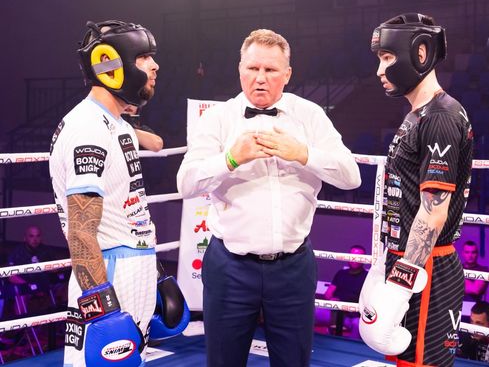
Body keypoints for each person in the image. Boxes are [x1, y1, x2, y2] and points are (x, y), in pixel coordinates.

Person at [176, 28, 361, 367]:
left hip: (293, 266)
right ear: (240, 70)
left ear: (287, 74)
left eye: (271, 70)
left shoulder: (310, 115)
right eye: (253, 68)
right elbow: (185, 184)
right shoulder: (218, 119)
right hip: (230, 266)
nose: (260, 78)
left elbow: (352, 176)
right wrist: (230, 159)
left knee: (293, 362)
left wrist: (303, 154)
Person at [358, 13, 474, 367]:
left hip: (427, 267)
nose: (380, 70)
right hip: (410, 261)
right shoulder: (419, 114)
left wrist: (401, 282)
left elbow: (434, 212)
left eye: (387, 57)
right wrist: (389, 263)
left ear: (420, 54)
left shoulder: (440, 117)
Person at [49, 20, 160, 366]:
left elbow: (129, 208)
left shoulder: (117, 125)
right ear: (112, 66)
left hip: (132, 267)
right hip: (110, 275)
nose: (154, 66)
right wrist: (103, 312)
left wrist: (156, 275)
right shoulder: (88, 129)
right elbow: (81, 232)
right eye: (143, 57)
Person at [323, 245, 368, 338]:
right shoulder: (341, 273)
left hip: (353, 316)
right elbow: (328, 294)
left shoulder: (367, 277)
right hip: (334, 312)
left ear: (364, 259)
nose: (354, 259)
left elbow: (368, 301)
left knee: (358, 324)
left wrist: (349, 307)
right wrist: (332, 300)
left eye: (358, 257)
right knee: (313, 312)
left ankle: (350, 346)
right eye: (352, 256)